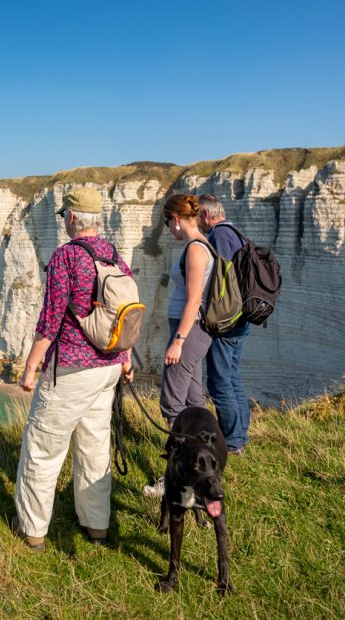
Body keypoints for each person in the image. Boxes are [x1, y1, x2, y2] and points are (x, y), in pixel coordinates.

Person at [12, 187, 135, 550]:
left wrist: (31, 368)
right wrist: (125, 359)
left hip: (70, 369)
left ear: (72, 219)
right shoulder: (115, 256)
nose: (64, 220)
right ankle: (96, 527)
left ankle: (32, 531)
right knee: (95, 447)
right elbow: (125, 315)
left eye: (65, 215)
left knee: (43, 448)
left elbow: (50, 319)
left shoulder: (67, 256)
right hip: (108, 368)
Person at [144, 193, 215, 497]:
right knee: (194, 402)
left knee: (172, 404)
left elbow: (194, 300)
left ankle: (175, 478)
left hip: (190, 330)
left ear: (175, 219)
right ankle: (208, 468)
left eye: (166, 222)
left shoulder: (196, 250)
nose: (168, 230)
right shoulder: (200, 246)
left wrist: (179, 341)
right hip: (193, 330)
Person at [198, 194, 251, 454]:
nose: (198, 223)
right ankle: (240, 436)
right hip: (242, 318)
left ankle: (231, 442)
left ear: (206, 215)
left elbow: (218, 279)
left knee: (219, 382)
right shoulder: (237, 232)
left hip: (227, 319)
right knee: (232, 377)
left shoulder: (219, 236)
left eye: (199, 217)